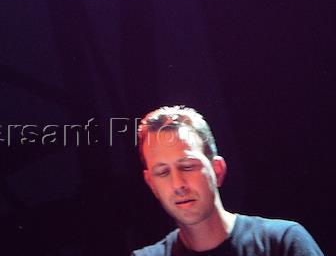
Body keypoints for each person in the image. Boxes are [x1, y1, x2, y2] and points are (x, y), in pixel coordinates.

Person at [133, 105, 325, 256]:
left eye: (188, 166)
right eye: (163, 172)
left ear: (217, 171)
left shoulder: (283, 242)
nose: (178, 184)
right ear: (151, 183)